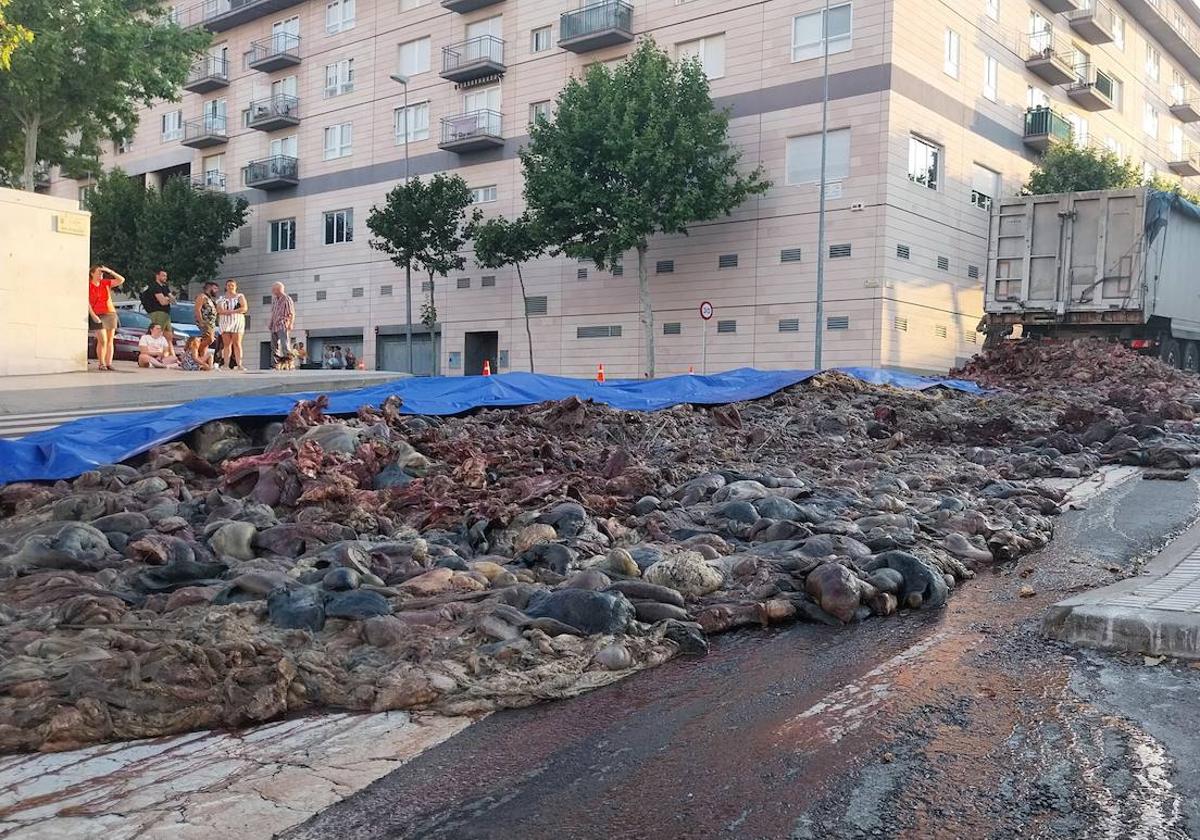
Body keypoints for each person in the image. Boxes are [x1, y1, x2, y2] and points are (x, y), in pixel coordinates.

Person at [87, 265, 124, 371]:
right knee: (102, 339)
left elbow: (121, 280)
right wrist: (93, 315)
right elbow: (87, 302)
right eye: (98, 272)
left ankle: (108, 363)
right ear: (92, 273)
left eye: (102, 273)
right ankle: (101, 363)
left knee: (109, 339)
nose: (101, 274)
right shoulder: (89, 285)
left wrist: (110, 271)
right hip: (97, 314)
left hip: (110, 312)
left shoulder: (105, 283)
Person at [216, 279, 248, 370]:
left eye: (232, 285)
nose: (230, 287)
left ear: (235, 286)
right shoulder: (221, 298)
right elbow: (219, 310)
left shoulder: (240, 296)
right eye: (229, 285)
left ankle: (239, 364)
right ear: (226, 287)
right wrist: (226, 312)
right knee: (227, 344)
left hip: (237, 321)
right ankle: (226, 364)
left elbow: (244, 308)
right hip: (225, 321)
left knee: (237, 343)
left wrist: (232, 311)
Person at [141, 269, 175, 344]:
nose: (165, 278)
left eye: (166, 276)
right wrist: (167, 299)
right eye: (163, 275)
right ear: (157, 276)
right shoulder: (155, 286)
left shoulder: (165, 287)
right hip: (158, 312)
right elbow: (162, 302)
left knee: (169, 336)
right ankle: (150, 350)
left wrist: (167, 299)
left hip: (166, 314)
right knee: (157, 334)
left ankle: (169, 353)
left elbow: (174, 300)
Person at [269, 282, 296, 370]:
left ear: (279, 289)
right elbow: (273, 313)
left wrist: (291, 323)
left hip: (283, 324)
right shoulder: (275, 300)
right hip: (274, 325)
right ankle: (275, 364)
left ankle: (289, 363)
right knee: (274, 346)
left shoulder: (287, 299)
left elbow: (291, 313)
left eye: (274, 289)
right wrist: (271, 322)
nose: (272, 291)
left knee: (285, 345)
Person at [194, 280, 219, 363]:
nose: (216, 291)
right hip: (205, 322)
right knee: (210, 339)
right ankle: (193, 353)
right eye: (215, 288)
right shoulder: (202, 296)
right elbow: (197, 309)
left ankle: (201, 359)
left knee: (207, 343)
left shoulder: (210, 299)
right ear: (209, 287)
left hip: (211, 324)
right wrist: (201, 321)